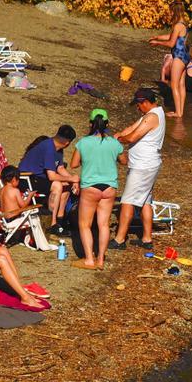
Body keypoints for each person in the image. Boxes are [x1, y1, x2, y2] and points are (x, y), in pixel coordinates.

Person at [68, 109, 126, 269]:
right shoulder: (114, 143)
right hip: (109, 187)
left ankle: (89, 259)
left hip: (90, 187)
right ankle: (100, 259)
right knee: (104, 224)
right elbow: (124, 160)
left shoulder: (83, 142)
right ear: (107, 124)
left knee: (85, 224)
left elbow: (73, 164)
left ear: (90, 123)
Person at [110, 88, 166, 251]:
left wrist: (119, 139)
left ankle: (120, 240)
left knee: (127, 201)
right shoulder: (152, 114)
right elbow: (130, 129)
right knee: (145, 200)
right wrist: (116, 135)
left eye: (139, 104)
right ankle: (147, 238)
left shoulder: (152, 117)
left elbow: (132, 137)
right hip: (147, 164)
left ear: (146, 102)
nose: (137, 107)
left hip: (143, 166)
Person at [18, 125, 79, 236]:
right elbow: (52, 176)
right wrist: (71, 178)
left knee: (66, 185)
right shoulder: (48, 148)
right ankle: (52, 223)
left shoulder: (57, 149)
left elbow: (60, 168)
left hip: (38, 178)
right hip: (26, 179)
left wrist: (73, 181)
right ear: (67, 142)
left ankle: (60, 220)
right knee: (57, 185)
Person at [0, 165, 55, 251]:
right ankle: (41, 245)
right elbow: (23, 205)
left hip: (4, 219)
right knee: (34, 218)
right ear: (14, 179)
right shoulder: (15, 191)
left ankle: (19, 237)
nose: (19, 182)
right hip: (13, 219)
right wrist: (30, 196)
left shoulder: (2, 190)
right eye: (18, 179)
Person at [148, 2, 190, 117]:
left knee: (174, 85)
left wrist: (157, 43)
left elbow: (171, 43)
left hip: (178, 57)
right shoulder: (183, 24)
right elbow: (171, 37)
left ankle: (178, 112)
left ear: (175, 11)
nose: (170, 14)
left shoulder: (177, 26)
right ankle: (180, 111)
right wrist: (157, 37)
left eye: (171, 11)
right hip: (185, 56)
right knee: (181, 85)